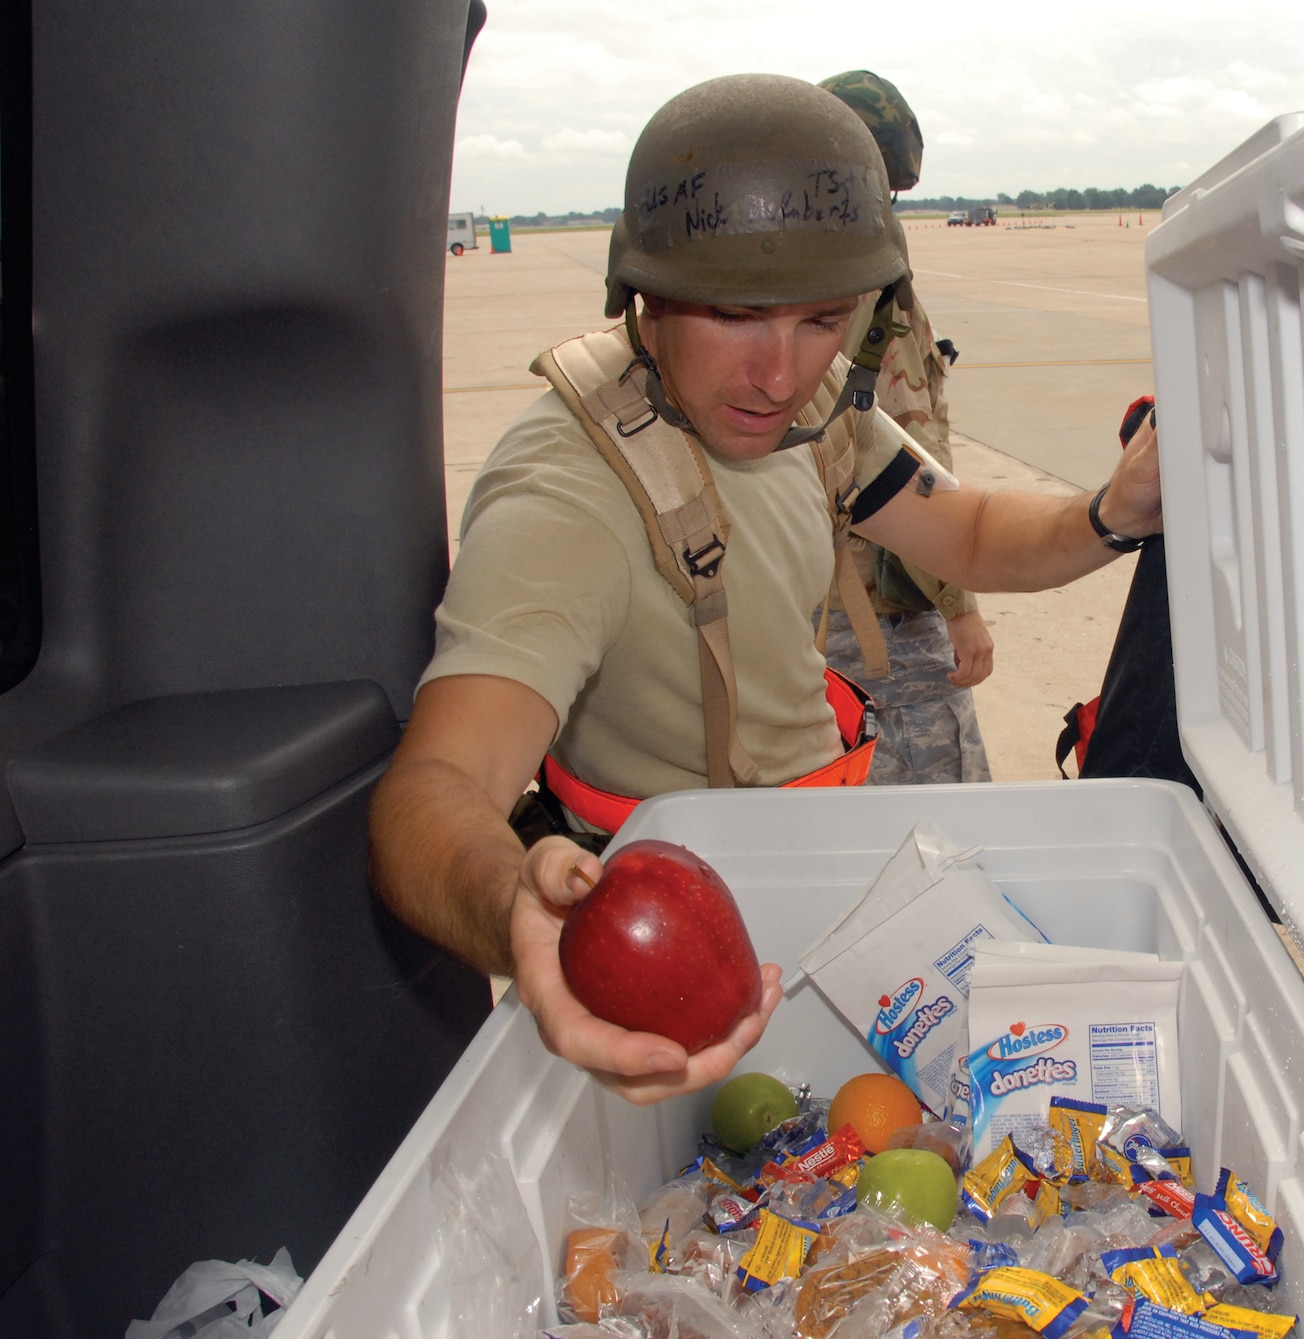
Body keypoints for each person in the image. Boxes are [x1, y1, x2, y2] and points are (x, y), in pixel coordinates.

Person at [368, 74, 1161, 1105]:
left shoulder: (808, 407)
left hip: (823, 860)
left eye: (820, 320)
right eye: (738, 316)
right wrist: (518, 916)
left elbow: (961, 530)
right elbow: (430, 793)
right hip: (694, 938)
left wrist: (1110, 512)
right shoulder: (566, 497)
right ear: (642, 295)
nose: (779, 374)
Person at [816, 70, 993, 785]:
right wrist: (960, 605)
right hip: (878, 614)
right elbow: (913, 459)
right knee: (944, 825)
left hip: (804, 607)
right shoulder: (872, 290)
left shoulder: (773, 287)